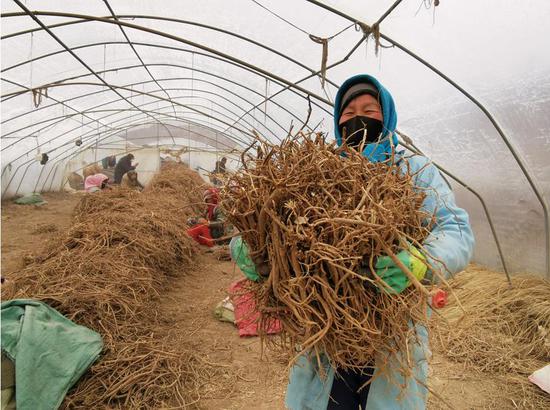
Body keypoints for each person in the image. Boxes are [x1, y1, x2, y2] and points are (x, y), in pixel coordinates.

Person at [234, 74, 474, 410]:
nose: (357, 118)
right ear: (336, 120)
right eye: (348, 113)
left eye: (369, 109)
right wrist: (247, 246)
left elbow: (455, 230)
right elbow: (270, 220)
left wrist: (421, 261)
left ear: (387, 115)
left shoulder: (412, 169)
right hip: (323, 327)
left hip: (392, 329)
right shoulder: (316, 170)